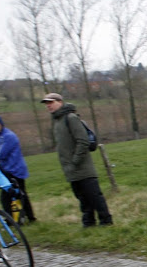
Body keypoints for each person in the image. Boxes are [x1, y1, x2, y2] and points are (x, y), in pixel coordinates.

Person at [41, 93, 112, 227]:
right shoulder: (57, 121)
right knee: (82, 198)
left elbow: (83, 141)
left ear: (60, 102)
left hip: (83, 167)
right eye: (46, 103)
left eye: (51, 102)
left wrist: (75, 161)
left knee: (94, 196)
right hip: (70, 169)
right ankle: (89, 222)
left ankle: (106, 221)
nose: (48, 105)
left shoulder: (71, 118)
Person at [0, 114, 37, 224]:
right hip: (6, 170)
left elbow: (0, 154)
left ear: (1, 124)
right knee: (18, 194)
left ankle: (13, 219)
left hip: (15, 170)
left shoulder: (8, 136)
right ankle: (27, 218)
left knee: (9, 196)